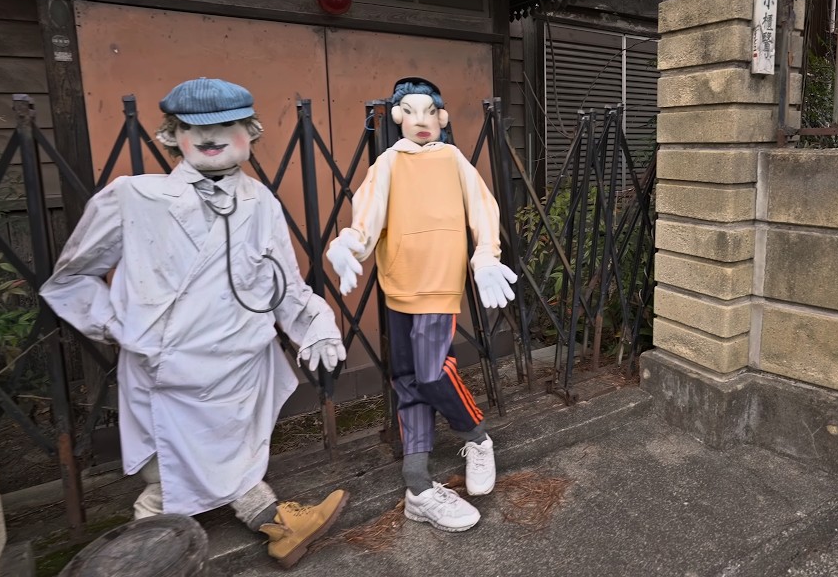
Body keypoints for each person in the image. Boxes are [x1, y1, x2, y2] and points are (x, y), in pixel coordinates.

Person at [40, 78, 349, 568]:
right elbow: (71, 279)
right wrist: (122, 328)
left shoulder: (262, 204)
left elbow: (283, 286)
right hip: (170, 373)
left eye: (226, 125)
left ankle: (274, 522)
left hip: (242, 364)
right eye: (192, 127)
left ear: (249, 132)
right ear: (172, 135)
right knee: (169, 478)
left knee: (239, 451)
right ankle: (142, 558)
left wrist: (316, 323)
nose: (210, 137)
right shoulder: (134, 198)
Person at [326, 77, 517, 532]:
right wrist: (348, 244)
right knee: (408, 380)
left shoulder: (452, 159)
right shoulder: (388, 163)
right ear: (397, 118)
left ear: (442, 117)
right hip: (399, 284)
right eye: (410, 112)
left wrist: (486, 254)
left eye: (430, 111)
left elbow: (482, 208)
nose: (421, 121)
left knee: (433, 372)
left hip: (439, 283)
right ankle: (417, 483)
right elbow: (367, 216)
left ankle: (477, 436)